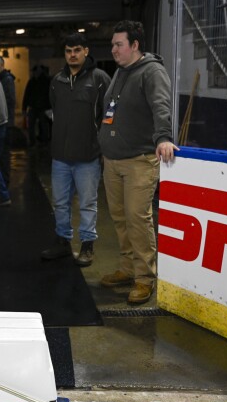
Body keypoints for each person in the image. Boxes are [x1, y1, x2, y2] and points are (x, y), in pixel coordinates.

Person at [98, 20, 179, 304]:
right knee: (120, 218)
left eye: (118, 44)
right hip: (113, 160)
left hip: (139, 161)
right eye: (112, 44)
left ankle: (145, 279)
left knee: (137, 218)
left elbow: (161, 106)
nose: (113, 50)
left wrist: (163, 138)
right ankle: (127, 267)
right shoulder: (121, 72)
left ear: (135, 45)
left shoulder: (152, 72)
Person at [40, 33, 110, 267]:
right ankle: (62, 242)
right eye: (69, 51)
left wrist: (102, 147)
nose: (72, 54)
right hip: (60, 155)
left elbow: (109, 114)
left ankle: (87, 246)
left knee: (88, 203)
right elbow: (55, 110)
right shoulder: (57, 80)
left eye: (77, 50)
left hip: (88, 156)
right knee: (60, 202)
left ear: (86, 51)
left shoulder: (99, 78)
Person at [0, 54, 15, 206]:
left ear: (2, 66)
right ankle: (3, 184)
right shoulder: (0, 79)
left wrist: (8, 120)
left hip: (5, 122)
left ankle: (4, 184)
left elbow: (10, 100)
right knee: (0, 155)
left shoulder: (5, 80)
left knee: (3, 155)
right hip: (4, 120)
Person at [22, 64, 51, 145]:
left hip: (41, 107)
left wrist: (24, 108)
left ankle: (38, 142)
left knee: (39, 125)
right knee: (39, 125)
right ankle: (38, 142)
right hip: (38, 107)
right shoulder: (35, 82)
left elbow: (27, 95)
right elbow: (27, 95)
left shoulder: (39, 81)